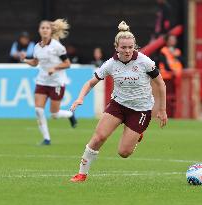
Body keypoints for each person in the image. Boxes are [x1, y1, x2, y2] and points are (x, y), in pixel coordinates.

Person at [70, 21, 168, 182]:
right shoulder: (110, 64)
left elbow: (160, 84)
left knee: (123, 153)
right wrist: (80, 98)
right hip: (118, 105)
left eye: (131, 47)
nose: (128, 50)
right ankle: (82, 173)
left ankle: (138, 134)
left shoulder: (145, 62)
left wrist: (162, 109)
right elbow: (90, 82)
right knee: (98, 137)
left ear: (134, 46)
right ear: (117, 48)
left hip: (140, 110)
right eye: (124, 47)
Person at [21, 19, 77, 145]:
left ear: (51, 30)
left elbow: (67, 64)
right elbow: (35, 63)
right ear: (39, 30)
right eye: (43, 28)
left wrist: (55, 68)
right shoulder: (37, 47)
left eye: (47, 28)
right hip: (42, 81)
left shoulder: (57, 47)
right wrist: (25, 59)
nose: (45, 30)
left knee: (54, 114)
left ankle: (70, 115)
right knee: (38, 110)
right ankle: (47, 139)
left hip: (56, 82)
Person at [158, 34, 183, 117]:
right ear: (167, 41)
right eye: (171, 39)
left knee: (176, 97)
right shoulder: (163, 51)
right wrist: (173, 71)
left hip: (176, 77)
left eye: (174, 39)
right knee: (167, 96)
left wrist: (176, 56)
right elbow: (165, 65)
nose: (173, 41)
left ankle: (174, 114)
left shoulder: (177, 51)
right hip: (167, 77)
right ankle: (167, 113)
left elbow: (182, 62)